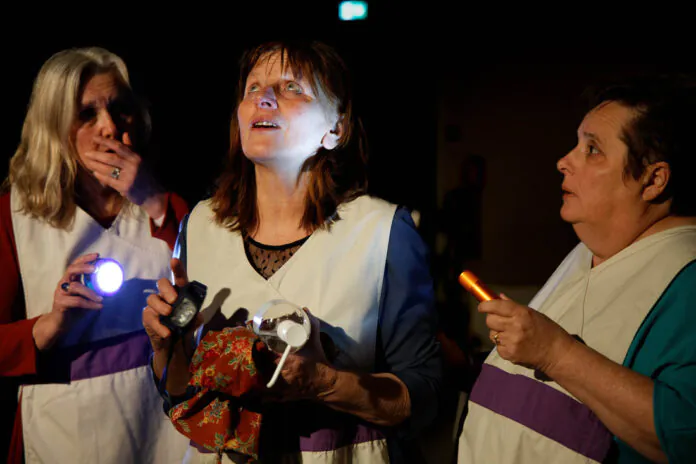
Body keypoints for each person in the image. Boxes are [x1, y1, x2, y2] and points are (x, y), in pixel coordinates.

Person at [143, 40, 443, 463]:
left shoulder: (382, 232)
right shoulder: (201, 226)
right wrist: (165, 348)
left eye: (291, 88)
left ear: (335, 129)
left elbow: (424, 396)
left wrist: (322, 382)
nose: (263, 98)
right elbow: (180, 394)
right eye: (253, 89)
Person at [457, 75, 696, 464]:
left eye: (593, 150)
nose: (563, 161)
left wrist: (555, 352)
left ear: (654, 180)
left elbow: (686, 434)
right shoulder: (590, 250)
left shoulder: (686, 278)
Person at [0, 47, 190, 463]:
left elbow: (215, 293)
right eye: (87, 114)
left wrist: (156, 202)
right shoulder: (13, 216)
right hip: (66, 431)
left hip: (160, 425)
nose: (109, 127)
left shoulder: (166, 203)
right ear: (54, 126)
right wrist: (48, 327)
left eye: (119, 108)